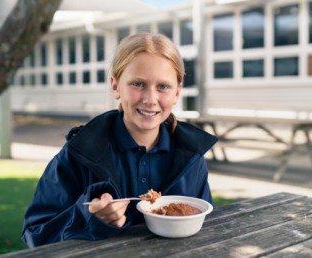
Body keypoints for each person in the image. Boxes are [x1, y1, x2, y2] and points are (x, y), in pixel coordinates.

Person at [21, 33, 217, 247]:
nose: (150, 99)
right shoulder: (79, 152)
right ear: (115, 86)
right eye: (138, 84)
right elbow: (35, 235)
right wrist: (89, 217)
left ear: (177, 91)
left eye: (163, 87)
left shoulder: (192, 158)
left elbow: (205, 226)